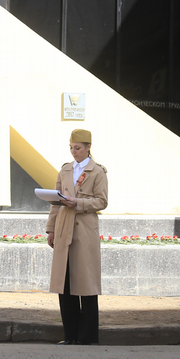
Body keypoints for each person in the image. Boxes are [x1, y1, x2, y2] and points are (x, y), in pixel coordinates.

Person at [46, 129, 108, 345]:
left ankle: (88, 336)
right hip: (64, 228)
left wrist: (78, 203)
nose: (74, 152)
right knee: (64, 283)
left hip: (84, 230)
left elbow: (102, 201)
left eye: (78, 148)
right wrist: (51, 228)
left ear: (88, 147)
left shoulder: (97, 171)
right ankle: (70, 335)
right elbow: (56, 202)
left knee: (86, 283)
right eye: (71, 148)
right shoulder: (65, 170)